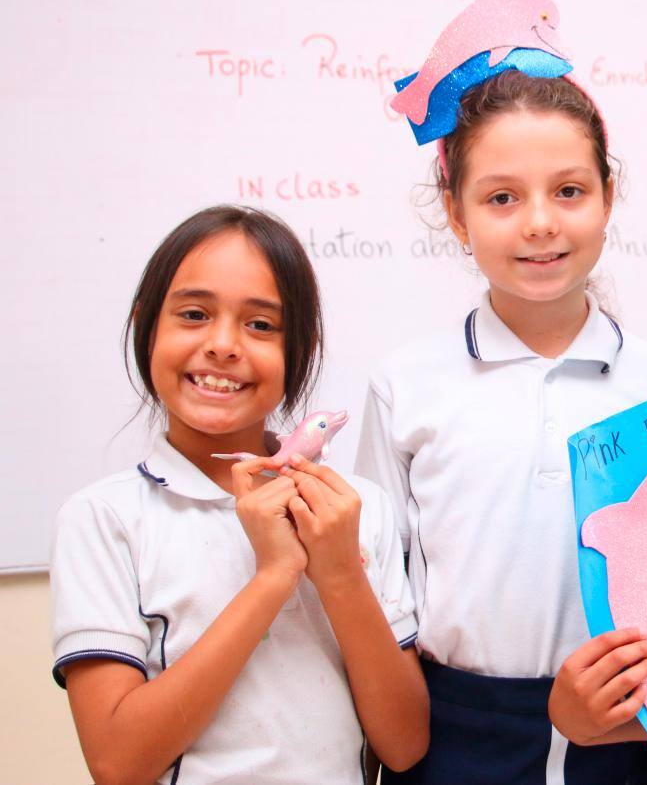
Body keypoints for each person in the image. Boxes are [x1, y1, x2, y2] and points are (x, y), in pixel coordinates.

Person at [356, 0, 647, 784]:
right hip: (449, 734)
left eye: (568, 191)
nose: (540, 222)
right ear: (456, 212)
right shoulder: (405, 387)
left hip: (622, 732)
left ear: (608, 197)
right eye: (502, 197)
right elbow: (377, 593)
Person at [50, 205, 429, 785]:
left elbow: (403, 747)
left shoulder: (355, 508)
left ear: (300, 347)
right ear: (146, 326)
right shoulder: (104, 519)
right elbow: (118, 764)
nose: (224, 345)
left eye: (261, 325)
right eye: (194, 315)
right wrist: (274, 575)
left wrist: (339, 574)